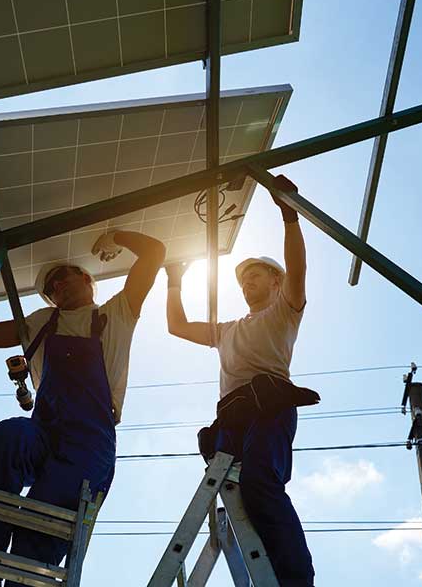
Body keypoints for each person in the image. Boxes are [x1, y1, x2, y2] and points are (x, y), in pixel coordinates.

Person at [0, 229, 165, 587]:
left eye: (62, 278)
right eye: (50, 287)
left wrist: (114, 236)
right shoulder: (42, 322)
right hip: (44, 430)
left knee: (46, 514)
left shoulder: (118, 312)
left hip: (88, 442)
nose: (57, 287)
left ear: (86, 278)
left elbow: (155, 252)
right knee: (9, 435)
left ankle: (23, 582)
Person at [163, 174, 316, 586]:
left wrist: (289, 216)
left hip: (270, 408)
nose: (247, 281)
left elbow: (299, 269)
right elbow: (177, 326)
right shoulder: (226, 329)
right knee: (231, 491)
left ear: (276, 282)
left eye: (256, 275)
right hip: (232, 417)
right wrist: (174, 277)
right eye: (243, 277)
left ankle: (297, 579)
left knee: (260, 484)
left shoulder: (284, 311)